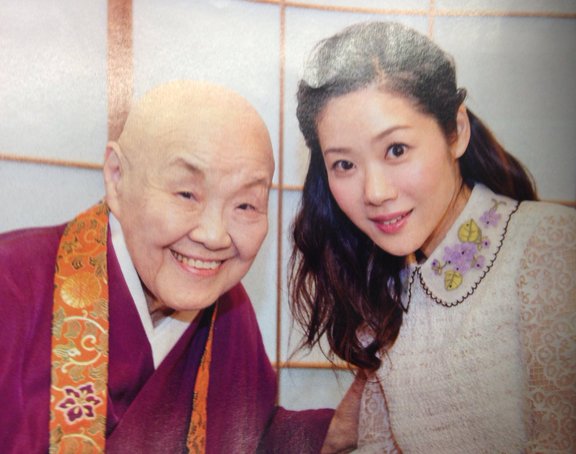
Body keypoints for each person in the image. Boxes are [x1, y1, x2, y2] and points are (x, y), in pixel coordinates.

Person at [289, 21, 576, 453]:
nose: (375, 192)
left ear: (456, 131)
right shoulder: (383, 282)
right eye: (345, 165)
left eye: (396, 150)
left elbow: (572, 442)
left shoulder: (546, 243)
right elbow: (379, 445)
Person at [0, 80, 335, 453]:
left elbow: (248, 435)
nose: (214, 236)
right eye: (187, 194)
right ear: (117, 177)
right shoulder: (10, 283)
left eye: (245, 205)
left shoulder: (227, 307)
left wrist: (345, 425)